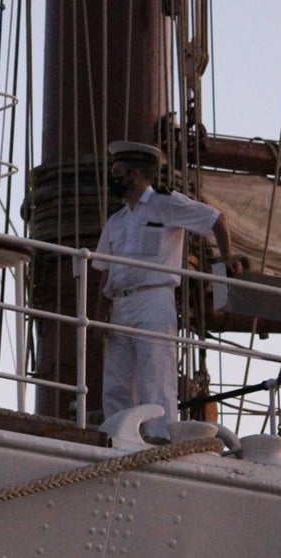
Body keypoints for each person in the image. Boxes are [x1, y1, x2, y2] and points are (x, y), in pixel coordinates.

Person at [94, 140, 243, 441]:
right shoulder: (117, 220)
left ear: (135, 175)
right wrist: (100, 308)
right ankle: (119, 435)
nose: (114, 178)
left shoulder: (166, 204)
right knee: (116, 381)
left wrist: (227, 257)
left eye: (118, 172)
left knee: (155, 374)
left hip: (153, 297)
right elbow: (104, 268)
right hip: (119, 304)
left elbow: (216, 219)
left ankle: (160, 437)